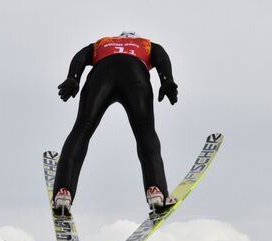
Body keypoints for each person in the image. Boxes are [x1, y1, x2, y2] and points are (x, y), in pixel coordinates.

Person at [53, 31, 178, 216]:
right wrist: (167, 81)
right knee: (145, 132)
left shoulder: (102, 43)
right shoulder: (146, 44)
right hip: (135, 74)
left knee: (82, 129)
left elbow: (80, 57)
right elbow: (162, 57)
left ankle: (63, 192)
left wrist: (73, 77)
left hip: (101, 73)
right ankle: (156, 191)